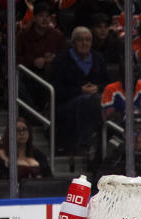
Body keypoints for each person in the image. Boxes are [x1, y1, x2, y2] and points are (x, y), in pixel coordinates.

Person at [48, 26, 109, 156]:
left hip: (95, 100)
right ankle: (84, 144)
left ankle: (100, 145)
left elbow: (108, 84)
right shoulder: (61, 60)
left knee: (95, 100)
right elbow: (57, 90)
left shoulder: (98, 58)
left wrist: (98, 88)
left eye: (88, 40)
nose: (84, 43)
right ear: (73, 42)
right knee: (87, 100)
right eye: (80, 40)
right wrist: (80, 90)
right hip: (66, 104)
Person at [94, 114, 141, 179]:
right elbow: (101, 180)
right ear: (125, 134)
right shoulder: (117, 156)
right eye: (134, 133)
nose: (138, 139)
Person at [0, 116, 52, 180]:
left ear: (29, 132)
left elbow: (49, 179)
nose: (22, 133)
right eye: (18, 130)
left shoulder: (39, 155)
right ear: (10, 133)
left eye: (24, 129)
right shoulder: (1, 156)